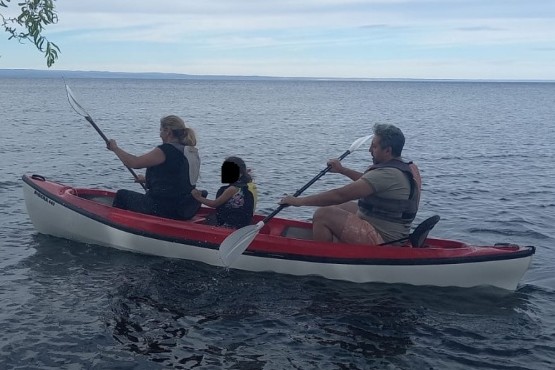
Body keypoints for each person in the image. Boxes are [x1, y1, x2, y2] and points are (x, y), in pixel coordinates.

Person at [280, 123, 421, 245]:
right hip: (393, 230)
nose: (370, 150)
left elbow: (339, 195)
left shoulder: (387, 174)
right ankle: (330, 238)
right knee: (338, 208)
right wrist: (342, 170)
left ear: (388, 150)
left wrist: (298, 201)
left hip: (385, 240)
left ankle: (324, 258)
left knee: (323, 213)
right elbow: (370, 182)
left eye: (374, 147)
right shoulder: (408, 168)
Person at [107, 114, 202, 220]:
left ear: (168, 131)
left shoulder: (166, 150)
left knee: (122, 195)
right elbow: (177, 180)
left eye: (161, 131)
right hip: (183, 208)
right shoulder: (190, 151)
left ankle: (116, 226)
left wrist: (115, 148)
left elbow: (134, 163)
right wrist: (147, 180)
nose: (160, 135)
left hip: (164, 209)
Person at [192, 156, 257, 228]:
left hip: (232, 225)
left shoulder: (232, 189)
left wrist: (198, 197)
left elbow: (214, 204)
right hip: (244, 223)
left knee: (209, 220)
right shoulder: (248, 184)